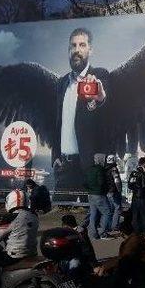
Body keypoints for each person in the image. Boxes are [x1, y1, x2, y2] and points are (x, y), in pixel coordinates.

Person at [53, 28, 109, 193]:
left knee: (92, 209)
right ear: (68, 50)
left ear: (90, 50)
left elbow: (105, 102)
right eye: (73, 45)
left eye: (82, 45)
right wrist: (55, 155)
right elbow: (57, 122)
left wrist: (99, 96)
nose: (77, 50)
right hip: (63, 166)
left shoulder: (100, 75)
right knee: (60, 211)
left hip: (89, 166)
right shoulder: (61, 83)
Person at [93, 220, 145, 288]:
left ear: (122, 233)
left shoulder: (133, 241)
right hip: (141, 267)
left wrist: (104, 267)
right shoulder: (134, 238)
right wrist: (104, 266)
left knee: (119, 269)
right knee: (118, 266)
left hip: (142, 270)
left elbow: (124, 258)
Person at [85, 153, 112, 240]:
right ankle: (102, 232)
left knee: (93, 213)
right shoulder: (100, 170)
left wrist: (89, 189)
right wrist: (106, 190)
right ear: (101, 160)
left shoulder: (89, 169)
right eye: (104, 159)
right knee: (107, 212)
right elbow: (102, 183)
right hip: (99, 194)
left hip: (90, 194)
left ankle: (92, 233)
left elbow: (84, 182)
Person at [128, 157, 145, 237]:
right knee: (144, 214)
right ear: (144, 164)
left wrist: (136, 189)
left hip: (135, 196)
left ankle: (136, 231)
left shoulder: (134, 172)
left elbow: (130, 185)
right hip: (143, 196)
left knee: (135, 214)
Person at [105, 154, 123, 232]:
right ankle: (115, 226)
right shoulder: (114, 169)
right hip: (114, 191)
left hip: (107, 191)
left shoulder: (105, 168)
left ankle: (108, 225)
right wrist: (119, 190)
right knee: (117, 208)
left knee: (110, 209)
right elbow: (117, 180)